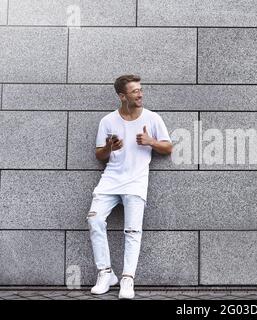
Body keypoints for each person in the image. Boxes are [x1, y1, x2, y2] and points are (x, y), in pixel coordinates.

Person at [86, 74, 173, 299]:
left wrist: (151, 142)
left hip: (136, 182)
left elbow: (168, 147)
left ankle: (127, 279)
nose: (140, 94)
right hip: (110, 180)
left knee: (132, 230)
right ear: (122, 96)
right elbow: (99, 155)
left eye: (141, 90)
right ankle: (105, 273)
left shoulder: (153, 118)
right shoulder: (108, 121)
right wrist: (108, 147)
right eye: (135, 91)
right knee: (94, 219)